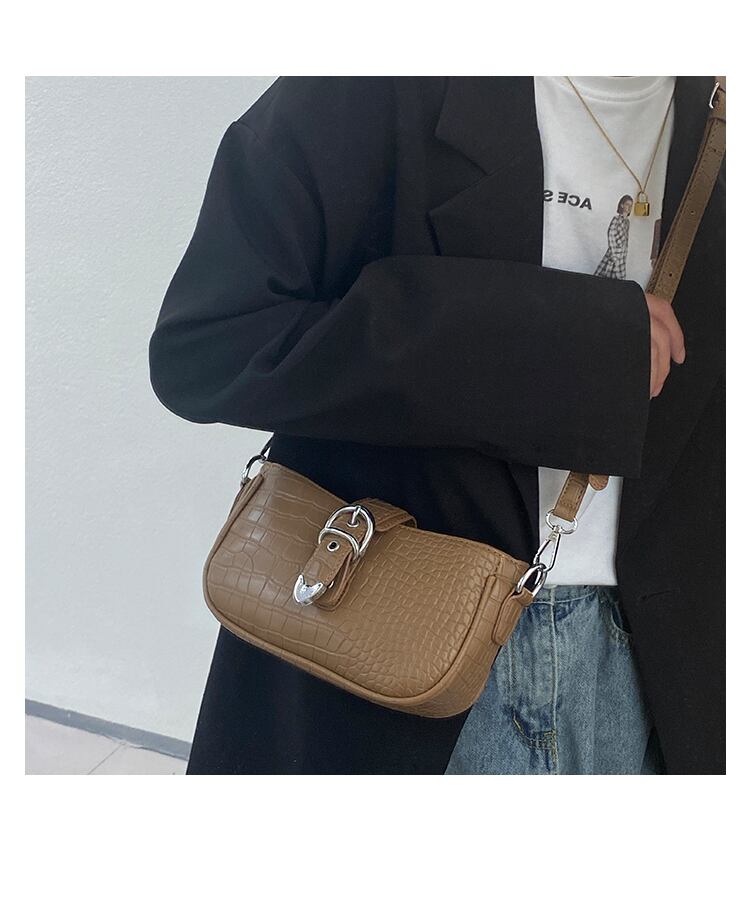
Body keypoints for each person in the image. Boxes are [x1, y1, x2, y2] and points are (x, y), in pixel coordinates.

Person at [149, 76, 725, 775]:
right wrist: (556, 338)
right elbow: (208, 348)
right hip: (386, 635)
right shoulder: (375, 81)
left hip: (674, 667)